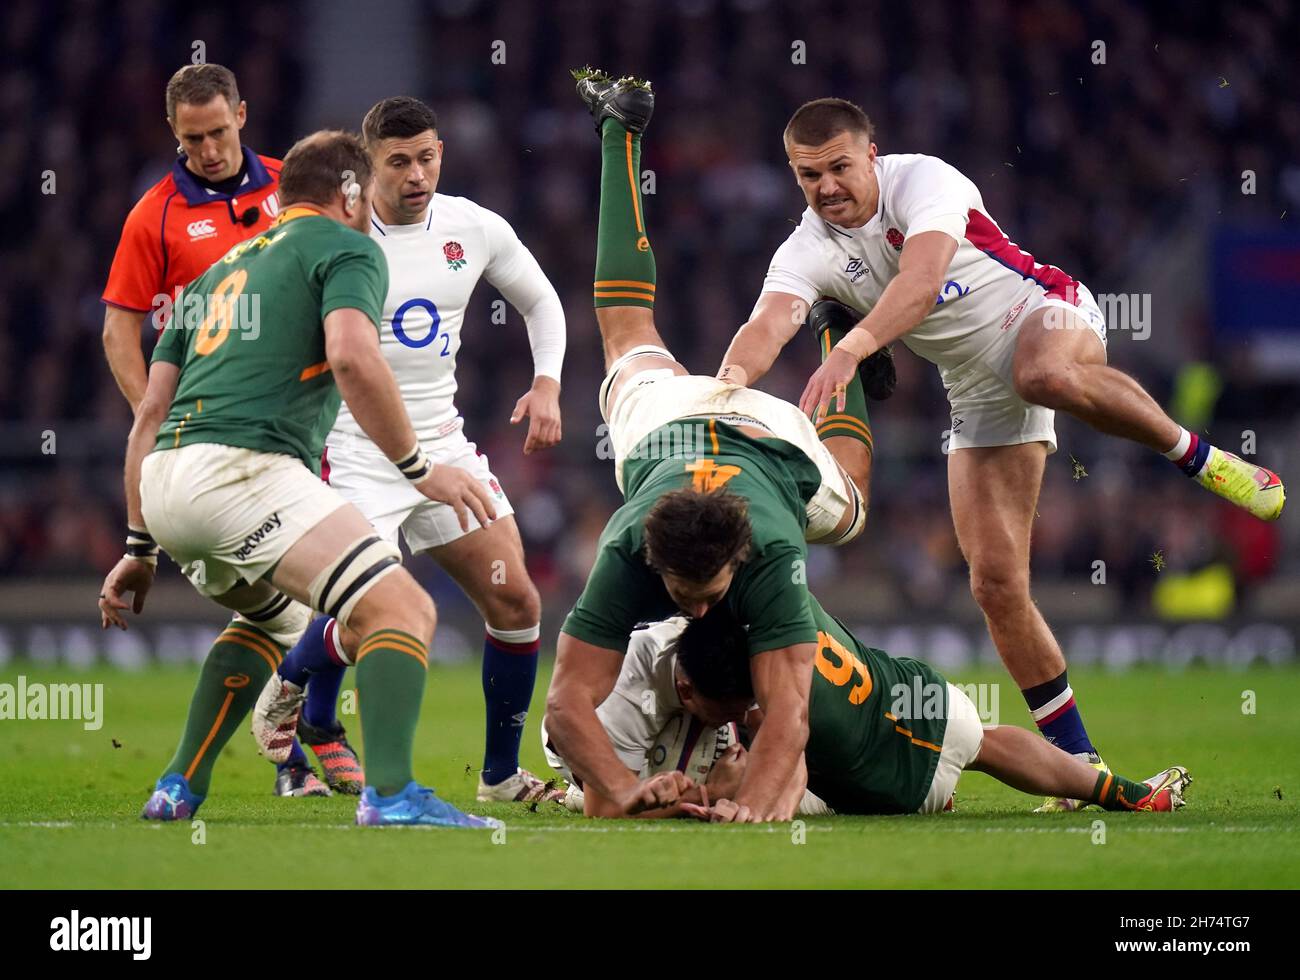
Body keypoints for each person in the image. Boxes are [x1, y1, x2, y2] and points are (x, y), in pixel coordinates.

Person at [717, 97, 1284, 809]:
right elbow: (767, 322)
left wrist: (855, 350)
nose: (826, 186)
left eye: (838, 166)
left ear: (871, 153)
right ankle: (1081, 768)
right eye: (808, 175)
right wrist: (726, 388)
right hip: (977, 392)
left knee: (1043, 373)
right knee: (994, 585)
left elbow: (920, 283)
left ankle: (1200, 458)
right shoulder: (806, 246)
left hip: (1042, 312)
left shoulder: (924, 181)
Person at [97, 129, 500, 829]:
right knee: (403, 611)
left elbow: (148, 415)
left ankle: (177, 787)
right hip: (245, 470)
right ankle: (393, 796)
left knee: (276, 617)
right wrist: (418, 469)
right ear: (349, 193)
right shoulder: (348, 249)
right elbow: (351, 357)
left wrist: (138, 549)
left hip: (165, 481)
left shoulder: (217, 272)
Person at [545, 69, 872, 824]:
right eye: (683, 593)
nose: (691, 609)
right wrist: (623, 792)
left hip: (766, 437)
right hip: (676, 421)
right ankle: (619, 128)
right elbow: (564, 706)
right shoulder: (629, 541)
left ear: (740, 558)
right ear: (650, 555)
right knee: (625, 330)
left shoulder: (775, 549)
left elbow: (791, 712)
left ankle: (838, 335)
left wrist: (753, 807)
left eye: (704, 593)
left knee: (850, 505)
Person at [251, 96, 567, 804]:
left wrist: (546, 384)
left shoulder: (472, 227)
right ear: (368, 166)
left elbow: (541, 302)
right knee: (374, 611)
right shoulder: (330, 235)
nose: (416, 174)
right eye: (399, 162)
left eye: (427, 157)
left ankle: (499, 776)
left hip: (443, 447)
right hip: (354, 450)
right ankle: (300, 690)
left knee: (515, 600)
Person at [545, 602, 1192, 820]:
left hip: (889, 786)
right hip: (911, 689)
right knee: (987, 742)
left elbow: (782, 781)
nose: (739, 713)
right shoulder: (773, 616)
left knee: (976, 751)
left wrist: (729, 798)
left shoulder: (777, 713)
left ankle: (1119, 791)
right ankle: (1123, 791)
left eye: (743, 705)